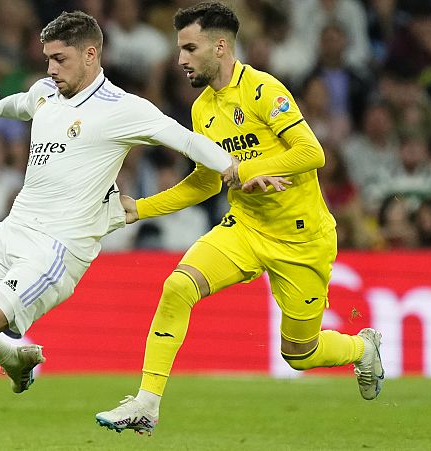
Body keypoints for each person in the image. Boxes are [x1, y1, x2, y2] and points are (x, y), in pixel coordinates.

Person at [0, 10, 238, 451]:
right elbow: (23, 104)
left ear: (90, 55)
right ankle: (11, 356)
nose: (50, 68)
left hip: (55, 251)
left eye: (60, 59)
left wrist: (234, 168)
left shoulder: (124, 109)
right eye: (47, 58)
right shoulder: (46, 92)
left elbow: (187, 141)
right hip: (10, 232)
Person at [95, 2, 384, 435]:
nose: (181, 59)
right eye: (180, 49)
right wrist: (141, 208)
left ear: (220, 46)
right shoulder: (202, 109)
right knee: (178, 287)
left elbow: (312, 153)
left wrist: (245, 169)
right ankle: (147, 404)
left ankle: (362, 349)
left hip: (301, 239)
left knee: (300, 354)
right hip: (245, 228)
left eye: (190, 48)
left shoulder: (263, 90)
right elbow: (206, 182)